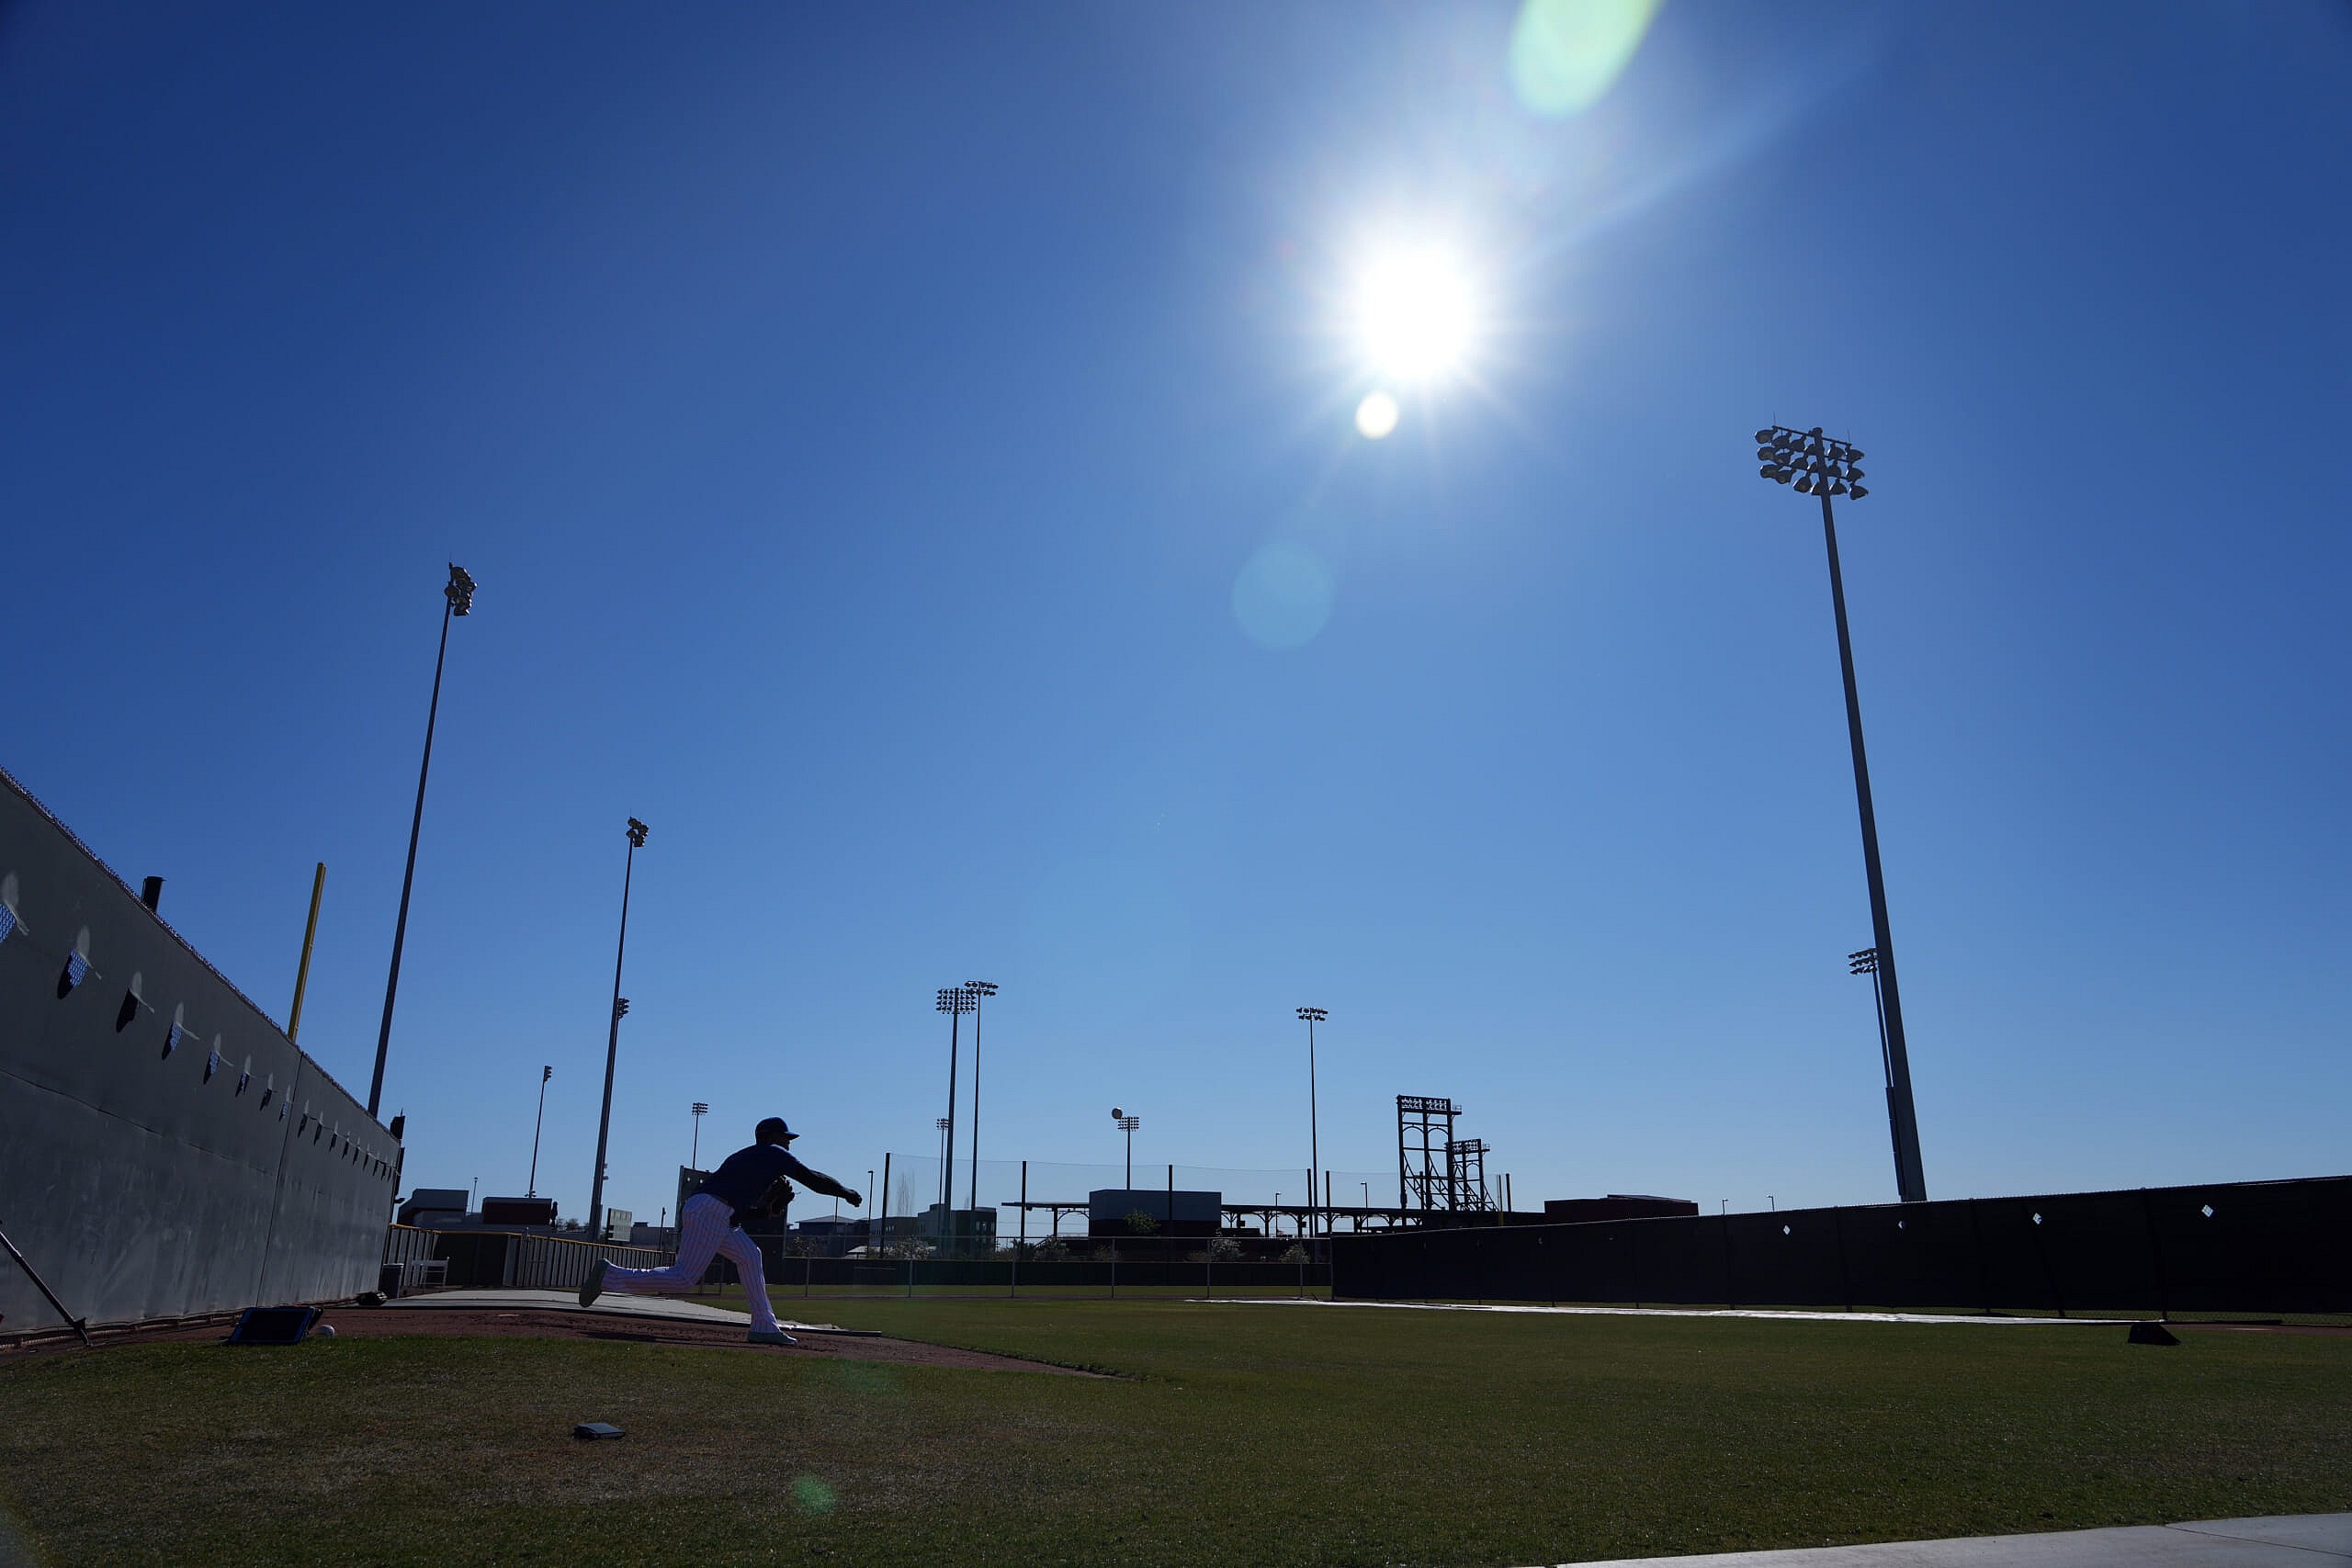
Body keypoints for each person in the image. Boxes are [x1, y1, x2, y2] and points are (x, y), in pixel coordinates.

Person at [579, 1115, 862, 1347]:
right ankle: (610, 1275)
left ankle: (764, 1325)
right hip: (711, 1210)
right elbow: (813, 1179)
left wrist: (770, 1207)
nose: (788, 1144)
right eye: (785, 1138)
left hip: (714, 1211)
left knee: (750, 1256)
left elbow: (739, 1210)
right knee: (684, 1279)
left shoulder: (746, 1160)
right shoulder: (772, 1153)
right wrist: (845, 1191)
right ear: (771, 1138)